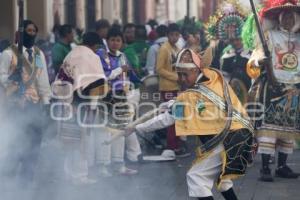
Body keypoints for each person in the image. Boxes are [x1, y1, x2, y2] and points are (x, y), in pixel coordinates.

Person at [124, 48, 254, 200]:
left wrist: (135, 127)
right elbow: (201, 102)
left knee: (196, 177)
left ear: (196, 70)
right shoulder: (212, 78)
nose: (181, 79)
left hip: (227, 140)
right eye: (179, 74)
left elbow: (168, 119)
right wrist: (174, 103)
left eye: (185, 74)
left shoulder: (190, 96)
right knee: (222, 179)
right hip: (240, 135)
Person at [246, 0, 300, 182]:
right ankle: (265, 168)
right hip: (273, 89)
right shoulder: (269, 36)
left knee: (288, 130)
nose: (288, 20)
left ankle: (282, 166)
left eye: (292, 17)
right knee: (269, 130)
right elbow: (255, 58)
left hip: (294, 90)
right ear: (279, 17)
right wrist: (261, 61)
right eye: (285, 16)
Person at [0, 20, 51, 184]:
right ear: (19, 34)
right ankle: (9, 176)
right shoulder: (8, 54)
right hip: (16, 103)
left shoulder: (38, 54)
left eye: (33, 31)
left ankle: (27, 177)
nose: (31, 34)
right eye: (27, 31)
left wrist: (46, 101)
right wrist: (10, 78)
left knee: (35, 141)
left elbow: (42, 78)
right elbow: (1, 75)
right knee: (17, 140)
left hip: (34, 104)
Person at [53, 32, 106, 184]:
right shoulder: (91, 56)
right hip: (79, 103)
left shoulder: (72, 53)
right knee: (80, 141)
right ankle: (80, 176)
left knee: (68, 140)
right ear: (95, 45)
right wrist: (93, 108)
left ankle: (67, 174)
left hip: (64, 99)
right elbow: (96, 84)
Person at [96, 27, 140, 175]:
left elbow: (130, 74)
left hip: (121, 94)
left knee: (121, 130)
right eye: (112, 40)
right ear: (107, 41)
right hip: (106, 96)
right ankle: (103, 165)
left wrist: (138, 81)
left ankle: (118, 163)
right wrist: (119, 70)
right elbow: (104, 76)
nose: (115, 43)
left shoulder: (123, 56)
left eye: (118, 40)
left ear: (122, 42)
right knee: (105, 131)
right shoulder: (101, 55)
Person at [156, 23, 189, 157]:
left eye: (177, 35)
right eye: (172, 34)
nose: (174, 37)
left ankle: (177, 145)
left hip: (178, 87)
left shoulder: (177, 48)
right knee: (172, 117)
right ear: (167, 35)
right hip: (168, 87)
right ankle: (172, 146)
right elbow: (159, 69)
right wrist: (176, 77)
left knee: (179, 116)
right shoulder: (164, 49)